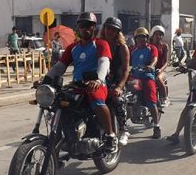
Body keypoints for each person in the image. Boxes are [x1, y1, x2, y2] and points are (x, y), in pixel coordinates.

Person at [45, 12, 118, 153]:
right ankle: (60, 139)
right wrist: (45, 80)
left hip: (97, 84)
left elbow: (104, 63)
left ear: (94, 28)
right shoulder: (73, 47)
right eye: (83, 26)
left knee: (96, 99)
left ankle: (111, 136)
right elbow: (59, 66)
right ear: (78, 28)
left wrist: (98, 79)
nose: (86, 29)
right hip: (77, 85)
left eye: (89, 26)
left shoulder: (101, 44)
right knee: (58, 102)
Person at [100, 17, 130, 145]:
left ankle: (124, 129)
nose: (110, 31)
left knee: (117, 99)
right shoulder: (99, 44)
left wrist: (119, 87)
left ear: (118, 32)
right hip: (101, 80)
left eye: (114, 30)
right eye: (108, 28)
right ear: (104, 29)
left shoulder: (122, 48)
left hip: (117, 82)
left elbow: (125, 70)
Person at [130, 27, 162, 138]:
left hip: (147, 76)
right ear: (135, 38)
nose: (141, 39)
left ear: (147, 38)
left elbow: (155, 59)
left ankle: (157, 126)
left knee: (151, 100)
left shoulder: (152, 48)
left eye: (143, 37)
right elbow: (127, 62)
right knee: (126, 96)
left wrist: (151, 66)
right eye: (139, 37)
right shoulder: (133, 51)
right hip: (135, 77)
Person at [150, 25, 170, 107]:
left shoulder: (164, 46)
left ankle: (164, 98)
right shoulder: (148, 46)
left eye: (161, 35)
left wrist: (161, 70)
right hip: (150, 70)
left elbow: (166, 62)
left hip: (160, 71)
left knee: (158, 78)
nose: (159, 36)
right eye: (157, 34)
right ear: (153, 35)